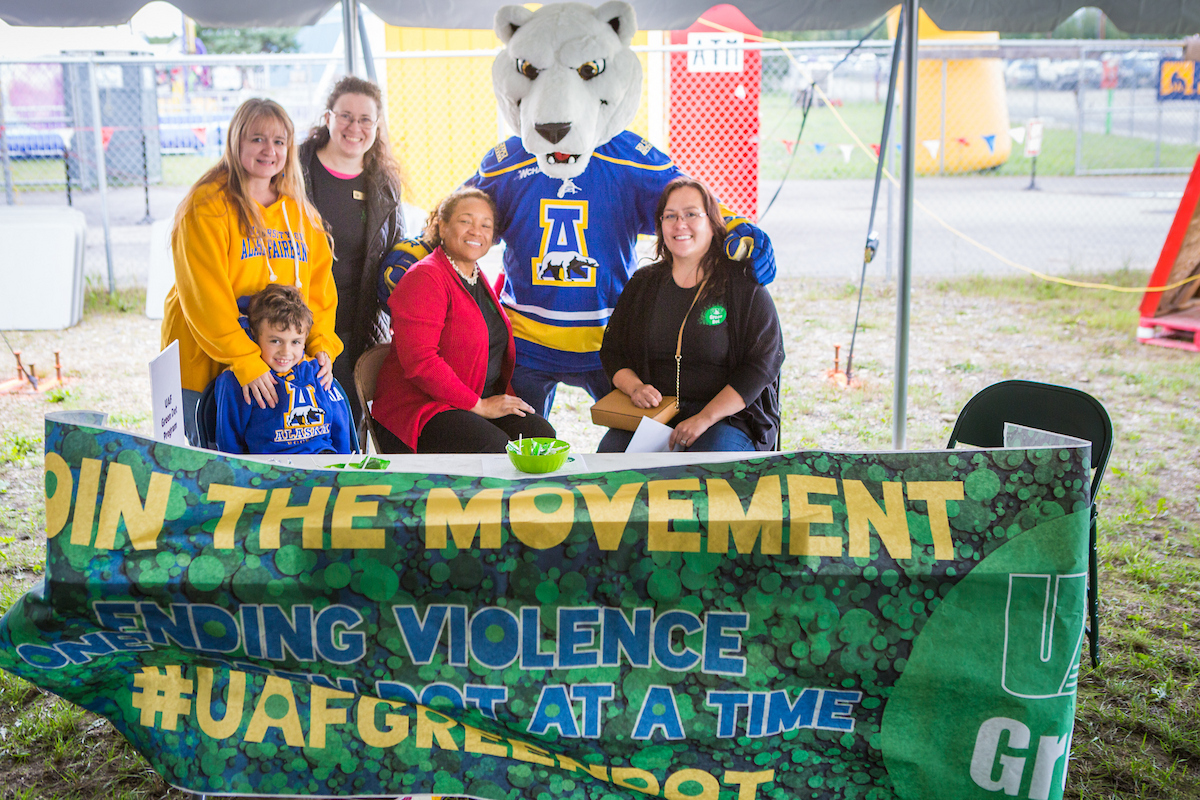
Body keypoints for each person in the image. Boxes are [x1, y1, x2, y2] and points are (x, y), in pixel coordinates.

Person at [161, 97, 340, 446]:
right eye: (257, 138)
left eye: (279, 141)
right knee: (209, 465)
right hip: (210, 361)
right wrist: (245, 360)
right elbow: (204, 295)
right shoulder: (208, 205)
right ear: (235, 141)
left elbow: (318, 291)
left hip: (278, 361)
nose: (268, 150)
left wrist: (320, 346)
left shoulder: (300, 213)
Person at [597, 177, 784, 453]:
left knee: (706, 469)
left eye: (691, 214)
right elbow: (613, 351)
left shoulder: (743, 285)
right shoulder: (643, 283)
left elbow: (762, 365)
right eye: (670, 216)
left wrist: (704, 418)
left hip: (725, 417)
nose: (679, 224)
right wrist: (635, 388)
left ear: (713, 223)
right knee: (609, 463)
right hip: (656, 414)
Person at [371, 189, 556, 454]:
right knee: (493, 446)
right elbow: (420, 361)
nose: (476, 231)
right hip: (421, 408)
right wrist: (479, 406)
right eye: (465, 221)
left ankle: (520, 497)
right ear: (442, 226)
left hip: (470, 399)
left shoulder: (475, 275)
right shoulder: (425, 277)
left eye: (485, 225)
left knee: (540, 436)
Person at [299, 76, 404, 428]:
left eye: (365, 120)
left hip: (353, 325)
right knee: (296, 422)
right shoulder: (293, 169)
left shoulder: (384, 184)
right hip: (295, 323)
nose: (354, 127)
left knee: (346, 423)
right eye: (345, 116)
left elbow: (394, 254)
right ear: (328, 118)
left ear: (376, 126)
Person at [214, 284, 353, 455]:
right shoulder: (235, 381)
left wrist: (346, 470)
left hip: (323, 465)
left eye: (295, 342)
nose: (286, 352)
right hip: (272, 472)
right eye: (275, 341)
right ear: (255, 336)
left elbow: (341, 428)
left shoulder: (318, 371)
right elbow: (229, 442)